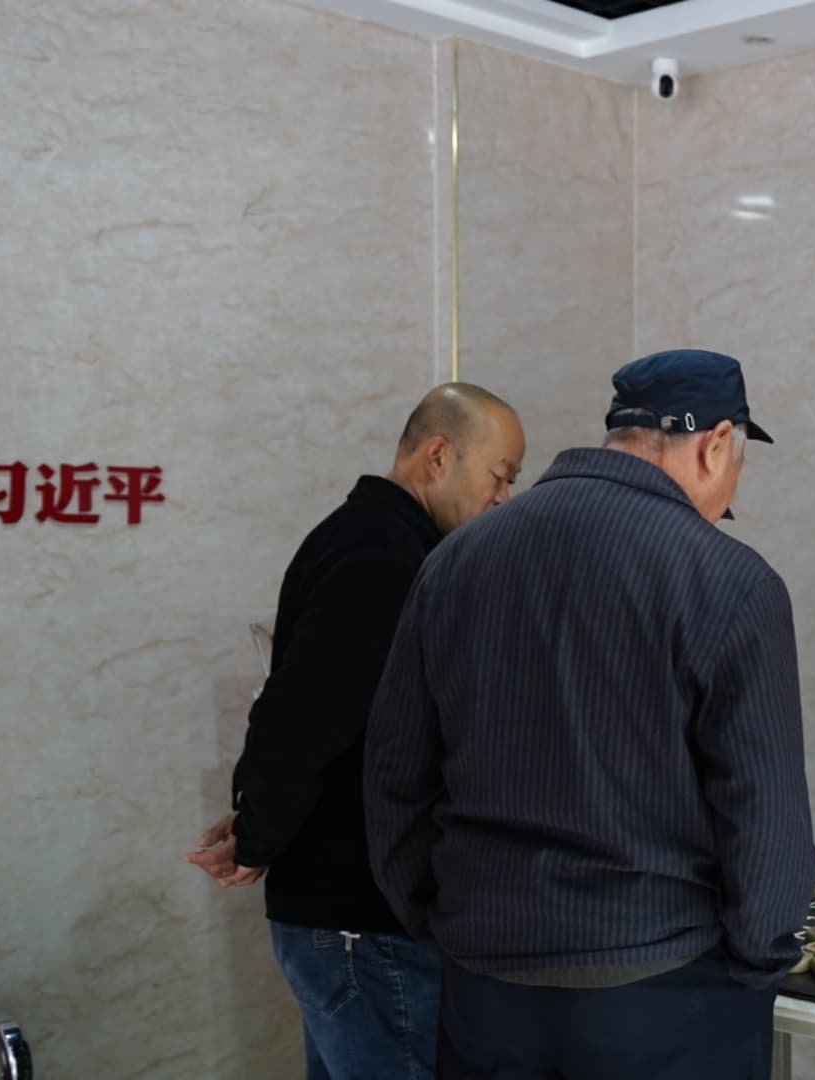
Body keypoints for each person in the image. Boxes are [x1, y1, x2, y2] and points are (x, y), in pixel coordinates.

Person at [363, 348, 814, 1080]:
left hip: (485, 984)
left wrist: (441, 918)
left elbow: (394, 771)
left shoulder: (454, 560)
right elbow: (763, 807)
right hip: (666, 988)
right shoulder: (730, 581)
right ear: (715, 445)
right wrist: (761, 955)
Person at [185, 383, 524, 1079]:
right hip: (361, 922)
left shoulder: (375, 540)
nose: (503, 498)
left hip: (353, 923)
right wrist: (259, 834)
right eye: (500, 475)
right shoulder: (381, 557)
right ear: (438, 456)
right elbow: (301, 717)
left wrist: (259, 822)